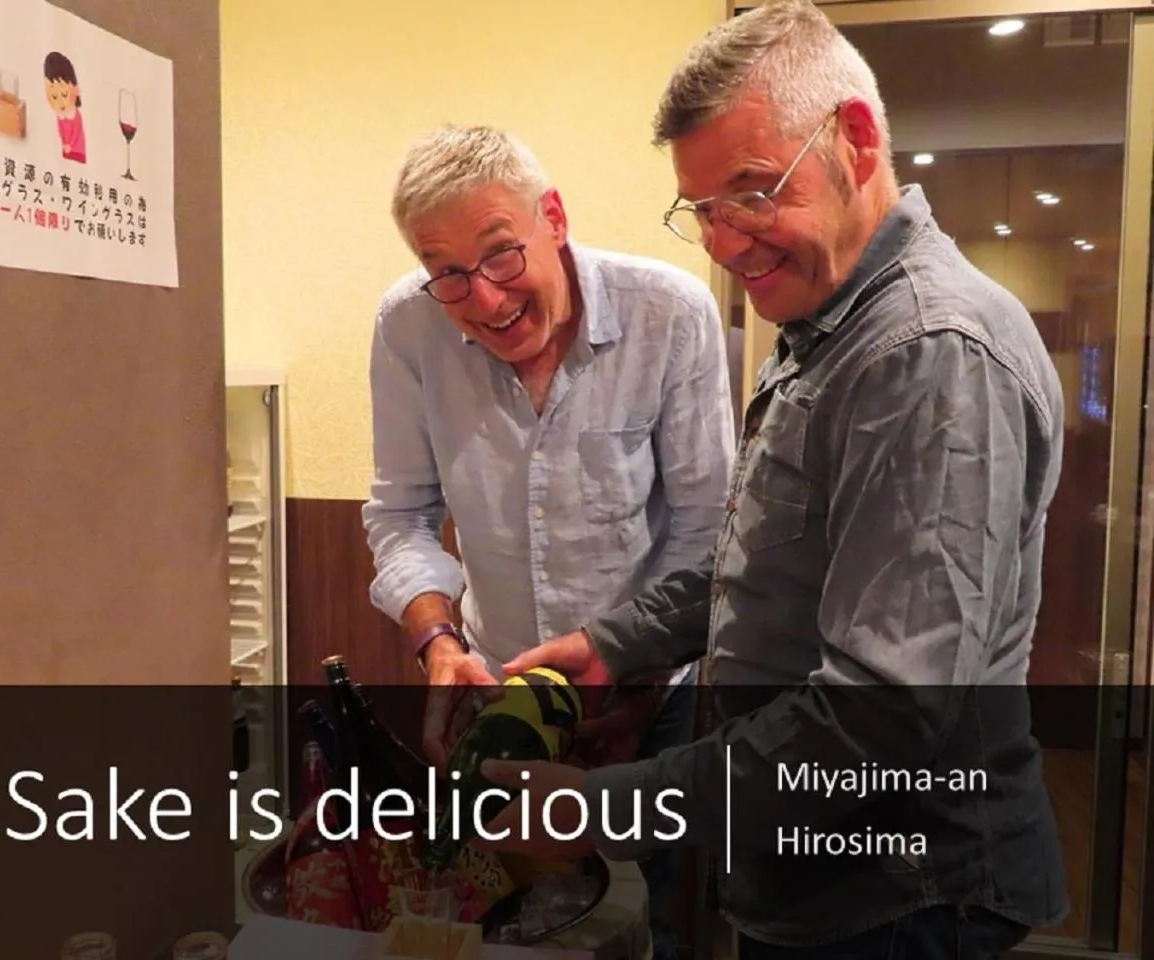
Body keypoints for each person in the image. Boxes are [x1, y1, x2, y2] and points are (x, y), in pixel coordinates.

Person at [474, 2, 1070, 958]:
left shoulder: (928, 354)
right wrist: (611, 643)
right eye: (704, 208)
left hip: (898, 898)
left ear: (858, 141)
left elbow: (883, 719)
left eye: (754, 193)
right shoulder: (826, 329)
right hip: (809, 875)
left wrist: (601, 807)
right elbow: (764, 556)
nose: (722, 241)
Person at [361, 124, 736, 959]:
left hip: (656, 701)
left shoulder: (669, 313)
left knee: (648, 924)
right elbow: (400, 514)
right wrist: (436, 641)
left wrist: (632, 691)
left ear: (554, 218)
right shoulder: (408, 329)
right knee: (504, 920)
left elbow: (711, 537)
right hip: (498, 695)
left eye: (501, 255)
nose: (486, 299)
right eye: (448, 275)